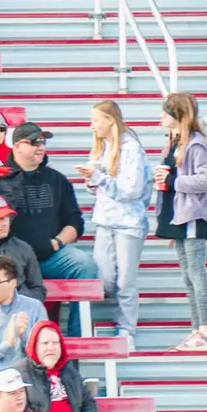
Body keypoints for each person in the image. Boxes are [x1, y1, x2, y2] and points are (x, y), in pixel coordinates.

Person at [0, 122, 97, 334]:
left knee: (85, 266)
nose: (40, 147)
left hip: (52, 255)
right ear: (17, 146)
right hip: (14, 258)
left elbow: (75, 221)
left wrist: (57, 242)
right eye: (33, 142)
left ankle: (79, 337)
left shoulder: (57, 180)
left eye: (42, 142)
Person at [79, 100, 149, 346]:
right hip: (105, 220)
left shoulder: (131, 148)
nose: (92, 126)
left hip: (129, 222)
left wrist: (99, 177)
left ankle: (127, 330)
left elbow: (131, 190)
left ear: (110, 120)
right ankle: (121, 323)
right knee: (105, 277)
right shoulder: (101, 147)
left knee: (126, 279)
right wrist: (91, 181)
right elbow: (100, 188)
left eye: (96, 120)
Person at [156, 92, 207, 352]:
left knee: (196, 274)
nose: (160, 116)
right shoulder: (174, 142)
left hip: (193, 217)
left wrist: (174, 181)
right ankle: (197, 330)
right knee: (187, 276)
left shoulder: (196, 144)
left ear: (178, 115)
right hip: (180, 217)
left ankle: (206, 333)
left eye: (165, 112)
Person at [24, 321, 117, 412]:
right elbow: (19, 411)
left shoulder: (68, 370)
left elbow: (89, 403)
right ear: (35, 346)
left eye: (55, 343)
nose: (51, 348)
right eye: (45, 343)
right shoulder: (22, 372)